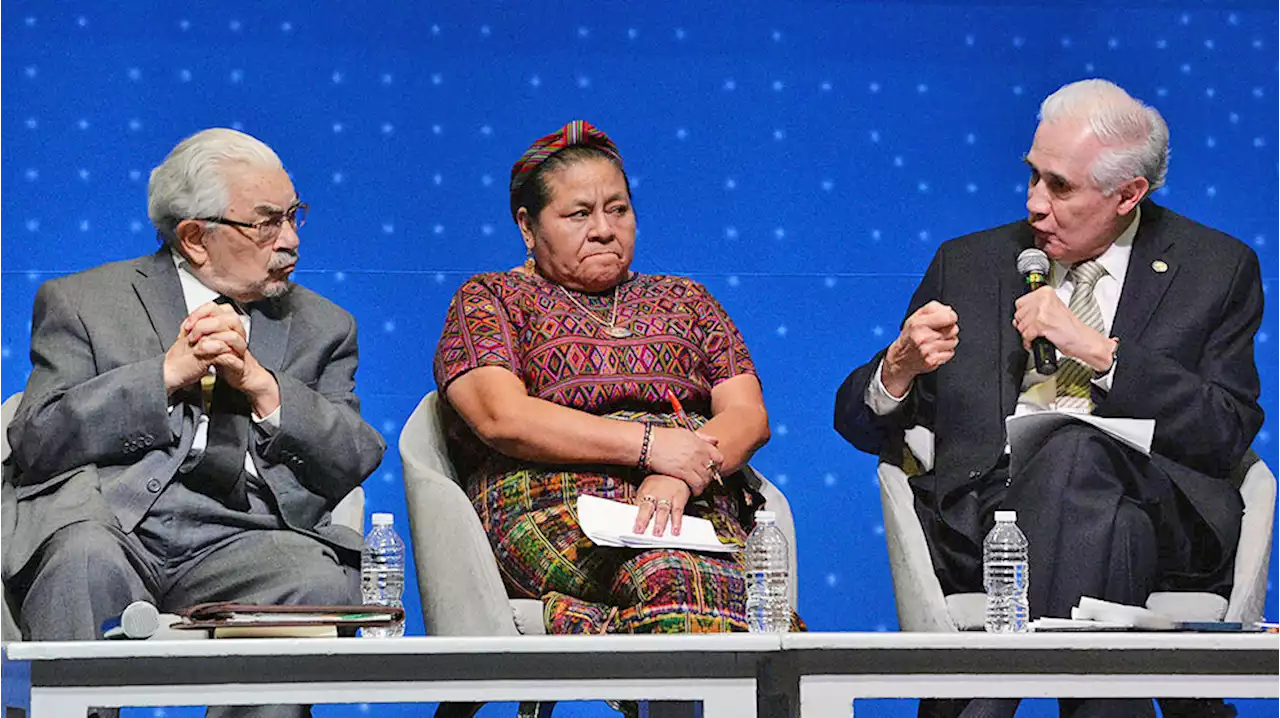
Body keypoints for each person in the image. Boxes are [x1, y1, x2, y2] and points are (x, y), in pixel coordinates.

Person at [834, 80, 1260, 718]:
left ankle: (984, 701)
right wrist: (898, 367)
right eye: (1032, 177)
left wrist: (1102, 354)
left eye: (1059, 187)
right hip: (988, 520)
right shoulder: (970, 263)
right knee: (1092, 502)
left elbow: (1227, 429)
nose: (1034, 203)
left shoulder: (1215, 267)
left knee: (1075, 452)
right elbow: (858, 424)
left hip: (1159, 515)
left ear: (1128, 194)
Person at [3, 128, 386, 718]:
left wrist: (264, 386)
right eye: (265, 223)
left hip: (245, 536)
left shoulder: (324, 326)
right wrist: (165, 373)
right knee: (80, 560)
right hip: (112, 523)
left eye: (293, 216)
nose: (289, 240)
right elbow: (38, 438)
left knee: (318, 580)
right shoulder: (83, 301)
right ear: (195, 237)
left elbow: (353, 457)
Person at [434, 120, 782, 636]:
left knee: (708, 579)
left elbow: (747, 415)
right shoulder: (491, 299)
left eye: (617, 209)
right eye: (579, 214)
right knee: (675, 576)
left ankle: (613, 642)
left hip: (688, 498)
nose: (603, 228)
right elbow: (501, 416)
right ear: (528, 228)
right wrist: (649, 447)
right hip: (547, 496)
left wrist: (680, 469)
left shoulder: (686, 299)